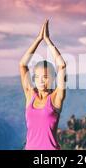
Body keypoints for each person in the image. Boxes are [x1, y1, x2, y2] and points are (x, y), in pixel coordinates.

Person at [19, 19, 66, 150]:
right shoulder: (30, 95)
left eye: (45, 77)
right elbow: (23, 65)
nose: (40, 80)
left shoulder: (56, 98)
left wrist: (48, 40)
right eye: (37, 76)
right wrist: (38, 39)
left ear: (52, 78)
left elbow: (62, 65)